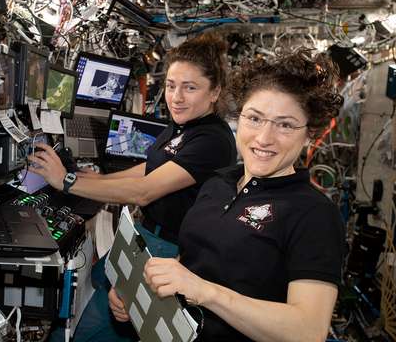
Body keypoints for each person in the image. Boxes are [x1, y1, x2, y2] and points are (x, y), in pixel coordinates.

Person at [109, 49, 346, 342]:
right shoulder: (218, 183)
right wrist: (140, 289)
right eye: (255, 118)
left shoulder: (314, 214)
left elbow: (307, 331)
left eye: (285, 125)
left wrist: (205, 292)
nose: (263, 138)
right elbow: (193, 260)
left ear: (309, 134)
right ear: (239, 118)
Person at [28, 32, 237, 341]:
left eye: (190, 88)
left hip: (167, 250)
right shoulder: (183, 126)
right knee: (98, 301)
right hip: (145, 237)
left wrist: (67, 181)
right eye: (171, 85)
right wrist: (91, 179)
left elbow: (144, 191)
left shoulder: (212, 140)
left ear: (215, 92)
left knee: (94, 329)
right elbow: (147, 169)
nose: (176, 97)